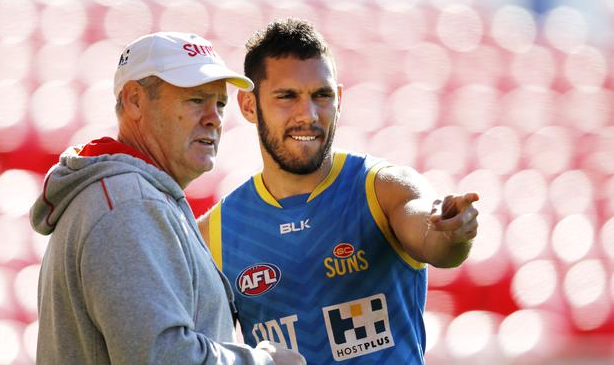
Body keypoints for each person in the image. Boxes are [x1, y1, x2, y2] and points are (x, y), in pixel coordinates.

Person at [197, 19, 480, 364]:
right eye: (287, 96)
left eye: (322, 95)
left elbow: (436, 241)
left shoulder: (382, 188)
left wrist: (453, 230)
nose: (309, 114)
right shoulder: (214, 234)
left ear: (339, 99)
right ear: (249, 106)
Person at [30, 32, 305, 365]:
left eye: (219, 103)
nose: (214, 118)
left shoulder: (127, 196)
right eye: (195, 100)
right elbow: (163, 357)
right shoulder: (129, 204)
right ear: (134, 100)